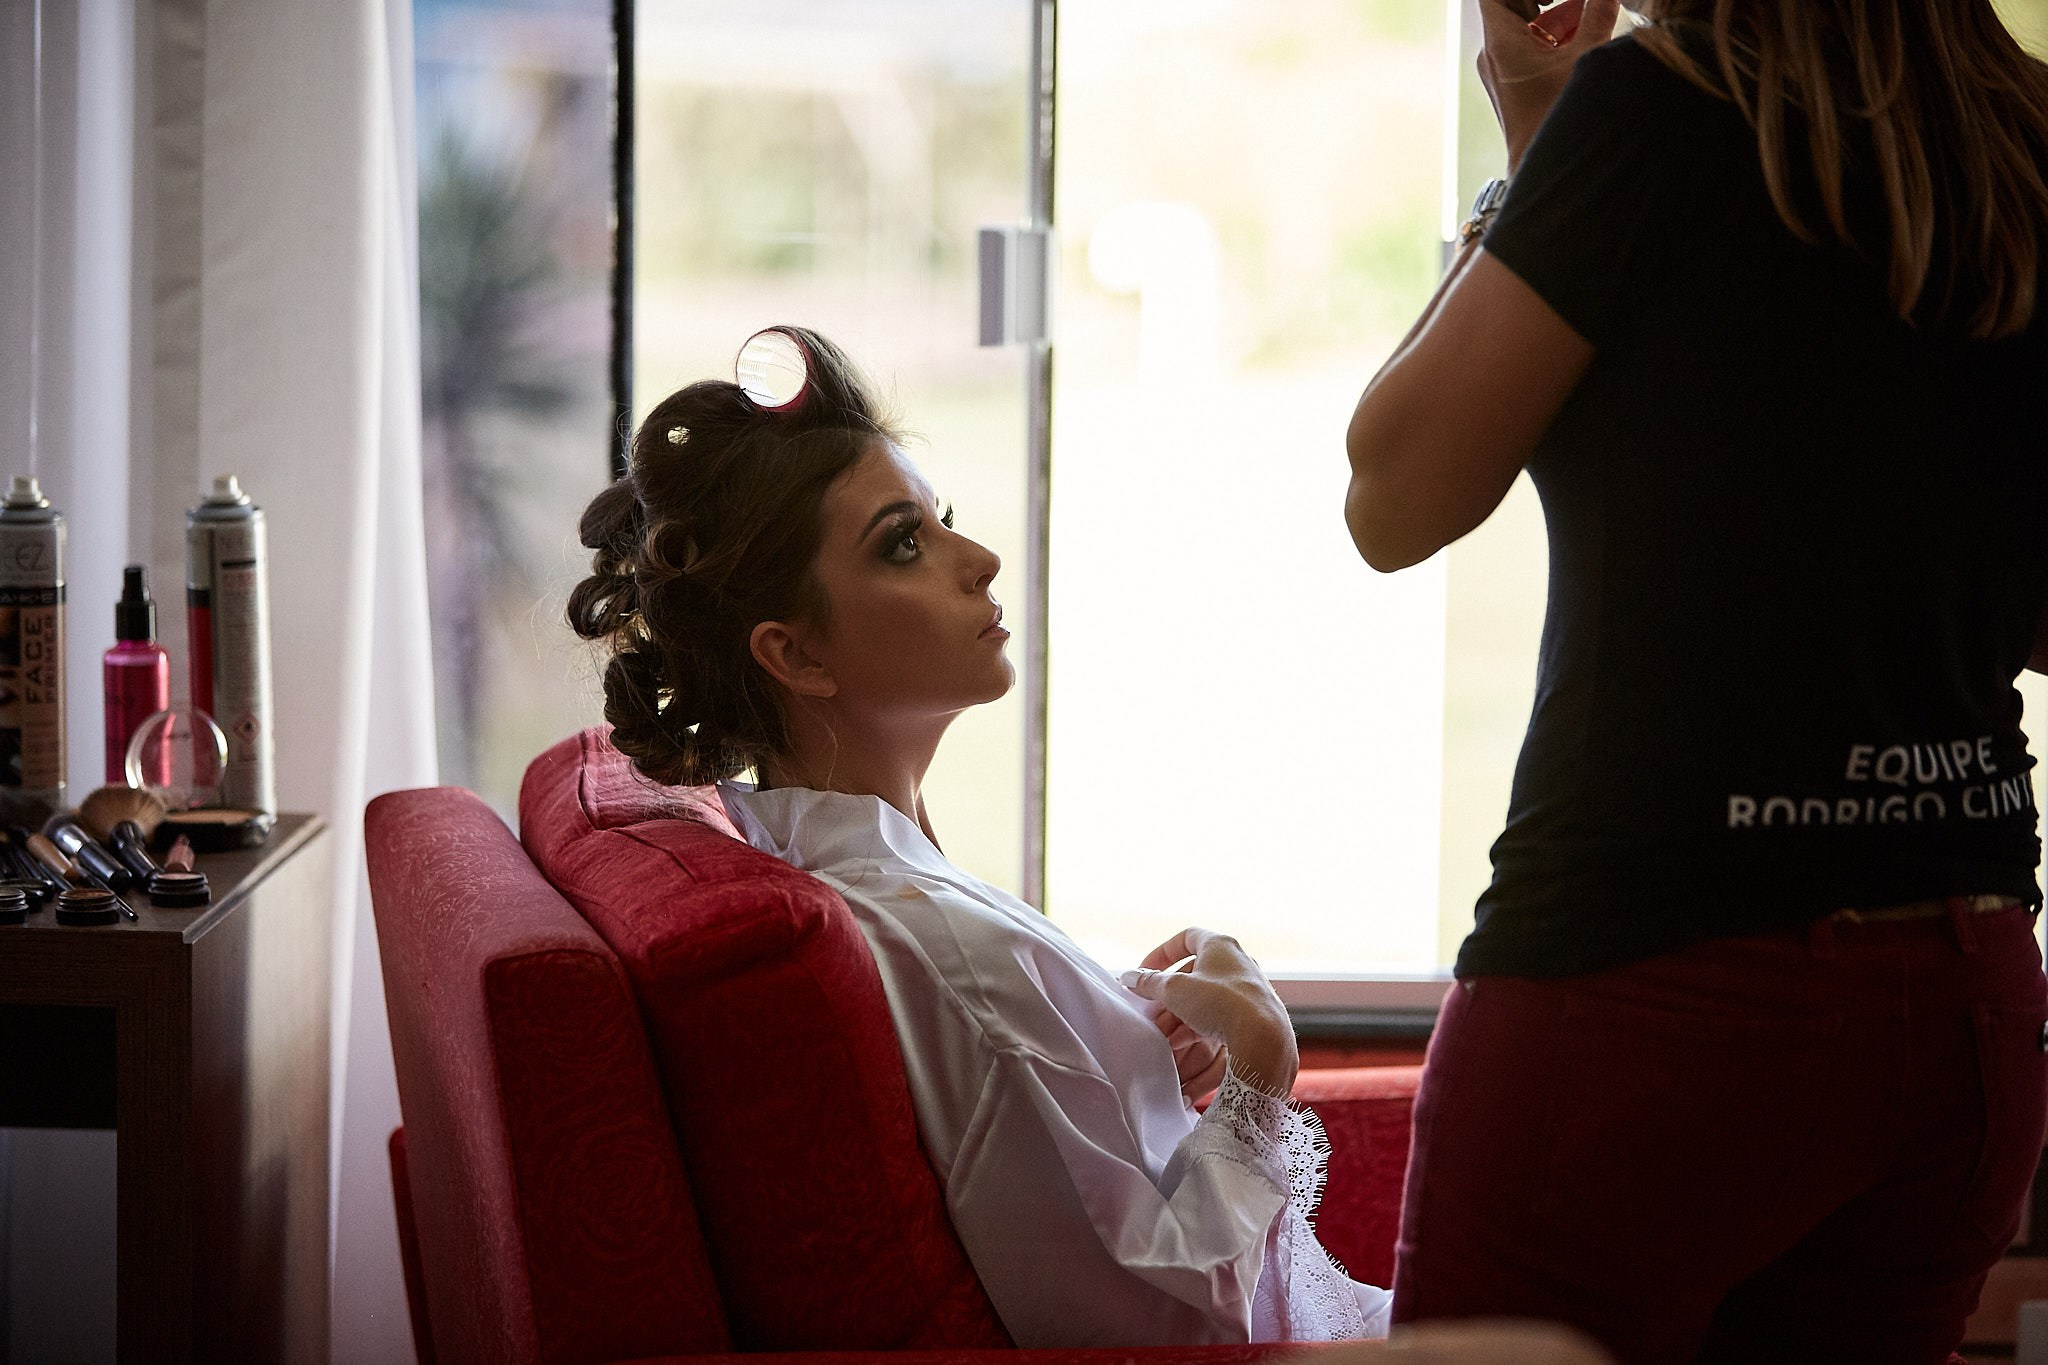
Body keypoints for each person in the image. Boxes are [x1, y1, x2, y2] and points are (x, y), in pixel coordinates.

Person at [1344, 0, 2048, 1359]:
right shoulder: (2017, 135)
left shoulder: (1653, 112)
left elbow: (1395, 495)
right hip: (1959, 1002)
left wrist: (1537, 153)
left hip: (1647, 981)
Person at [566, 326, 1391, 1347]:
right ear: (796, 653)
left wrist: (1118, 1046)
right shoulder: (952, 957)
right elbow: (1170, 1326)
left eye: (939, 518)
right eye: (903, 543)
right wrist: (1261, 1064)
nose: (981, 558)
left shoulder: (858, 869)